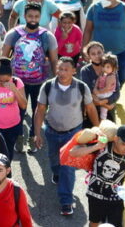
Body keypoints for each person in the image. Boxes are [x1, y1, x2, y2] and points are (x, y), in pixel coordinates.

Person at [33, 56, 98, 216]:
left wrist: (97, 129)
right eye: (59, 69)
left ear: (74, 71)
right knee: (54, 160)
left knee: (68, 167)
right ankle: (56, 172)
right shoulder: (47, 86)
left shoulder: (82, 87)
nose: (62, 72)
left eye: (66, 69)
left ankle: (66, 201)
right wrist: (37, 133)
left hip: (73, 134)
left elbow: (90, 109)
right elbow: (40, 110)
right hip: (52, 131)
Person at [1, 2, 58, 153]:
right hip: (18, 82)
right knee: (18, 111)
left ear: (41, 17)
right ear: (24, 16)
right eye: (30, 16)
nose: (33, 19)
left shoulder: (47, 36)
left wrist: (57, 80)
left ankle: (33, 137)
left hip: (40, 81)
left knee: (38, 111)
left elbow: (54, 60)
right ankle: (19, 137)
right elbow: (4, 58)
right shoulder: (13, 34)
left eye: (36, 16)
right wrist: (2, 79)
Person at [69, 124, 125, 227]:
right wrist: (96, 146)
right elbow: (73, 152)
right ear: (116, 139)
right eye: (124, 144)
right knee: (94, 222)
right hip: (95, 194)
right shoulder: (102, 147)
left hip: (115, 197)